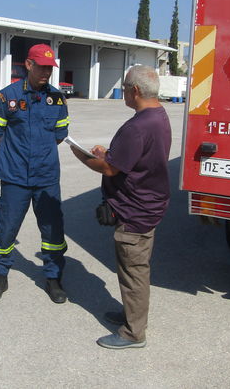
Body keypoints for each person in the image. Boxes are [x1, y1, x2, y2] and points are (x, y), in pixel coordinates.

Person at [70, 65, 171, 349]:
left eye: (125, 88)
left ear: (135, 91)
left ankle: (133, 333)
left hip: (136, 211)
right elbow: (131, 159)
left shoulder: (138, 126)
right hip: (149, 205)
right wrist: (110, 153)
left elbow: (109, 169)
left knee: (133, 272)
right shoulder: (158, 116)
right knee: (133, 270)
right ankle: (131, 315)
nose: (124, 92)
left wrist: (81, 154)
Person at [0, 44, 70, 303]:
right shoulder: (6, 96)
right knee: (7, 229)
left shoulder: (56, 98)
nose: (46, 72)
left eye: (50, 68)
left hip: (46, 177)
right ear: (28, 65)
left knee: (53, 231)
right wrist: (17, 155)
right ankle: (0, 276)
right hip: (15, 177)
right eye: (42, 67)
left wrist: (38, 155)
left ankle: (53, 279)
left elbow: (59, 134)